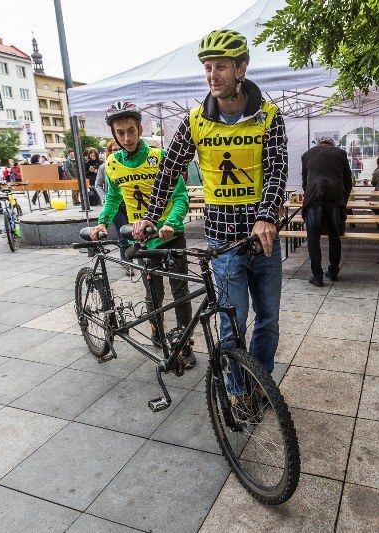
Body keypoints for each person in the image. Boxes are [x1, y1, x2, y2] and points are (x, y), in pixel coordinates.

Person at [133, 29, 287, 396]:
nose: (212, 75)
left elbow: (277, 168)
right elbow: (169, 170)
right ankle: (236, 390)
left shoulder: (269, 116)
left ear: (241, 68)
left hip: (262, 237)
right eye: (207, 68)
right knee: (232, 324)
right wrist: (152, 215)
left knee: (268, 320)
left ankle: (260, 381)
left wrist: (266, 215)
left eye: (220, 67)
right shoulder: (195, 121)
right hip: (222, 239)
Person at [90, 102, 194, 362]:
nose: (126, 138)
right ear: (114, 134)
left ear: (140, 129)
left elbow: (181, 196)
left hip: (170, 235)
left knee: (180, 291)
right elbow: (114, 197)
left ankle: (185, 342)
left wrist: (171, 221)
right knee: (153, 293)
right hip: (143, 239)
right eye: (120, 133)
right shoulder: (112, 163)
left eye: (131, 131)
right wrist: (103, 221)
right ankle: (157, 331)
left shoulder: (160, 157)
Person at [301, 136, 352, 286]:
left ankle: (317, 276)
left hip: (313, 196)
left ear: (319, 144)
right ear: (332, 145)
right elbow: (347, 182)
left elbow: (305, 181)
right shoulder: (340, 154)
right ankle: (333, 271)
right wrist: (344, 202)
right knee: (334, 235)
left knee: (313, 237)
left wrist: (308, 197)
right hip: (335, 197)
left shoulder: (307, 154)